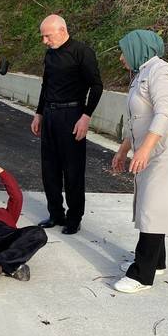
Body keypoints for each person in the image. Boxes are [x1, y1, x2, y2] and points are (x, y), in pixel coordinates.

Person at [111, 29, 168, 293]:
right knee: (151, 205)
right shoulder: (141, 74)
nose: (121, 58)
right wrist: (124, 149)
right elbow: (136, 119)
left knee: (152, 208)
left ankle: (142, 275)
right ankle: (157, 261)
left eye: (123, 51)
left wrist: (144, 149)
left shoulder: (162, 72)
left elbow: (163, 113)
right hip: (153, 150)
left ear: (138, 49)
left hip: (167, 151)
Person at [32, 14, 103, 235]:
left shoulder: (82, 52)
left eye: (48, 36)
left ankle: (74, 217)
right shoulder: (49, 55)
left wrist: (86, 116)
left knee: (72, 170)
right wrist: (39, 113)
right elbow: (46, 85)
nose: (45, 41)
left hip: (72, 115)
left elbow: (97, 86)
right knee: (49, 168)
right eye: (43, 36)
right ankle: (56, 213)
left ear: (62, 30)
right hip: (51, 115)